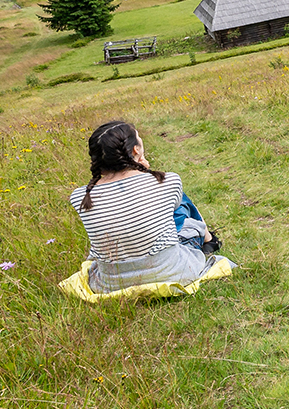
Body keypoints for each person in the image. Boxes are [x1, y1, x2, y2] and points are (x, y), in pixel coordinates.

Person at [59, 120, 233, 301]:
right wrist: (144, 171)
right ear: (136, 150)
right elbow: (171, 215)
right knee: (182, 208)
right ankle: (209, 240)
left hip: (109, 284)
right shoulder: (168, 181)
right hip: (172, 273)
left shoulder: (79, 196)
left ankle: (208, 239)